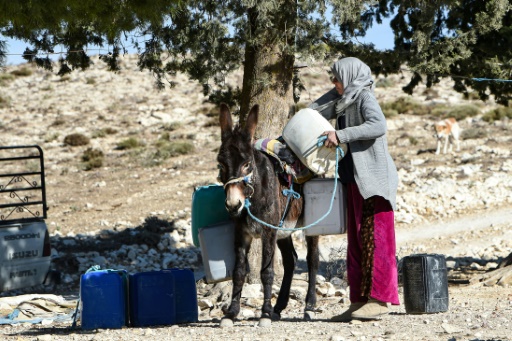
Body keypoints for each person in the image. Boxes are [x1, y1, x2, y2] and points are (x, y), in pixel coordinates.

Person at [309, 57, 399, 321]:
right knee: (357, 241)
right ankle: (359, 301)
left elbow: (379, 125)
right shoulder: (345, 99)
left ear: (350, 77)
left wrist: (342, 135)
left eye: (337, 78)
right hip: (353, 179)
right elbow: (314, 111)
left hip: (373, 182)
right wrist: (335, 91)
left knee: (377, 240)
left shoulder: (363, 98)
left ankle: (380, 300)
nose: (333, 83)